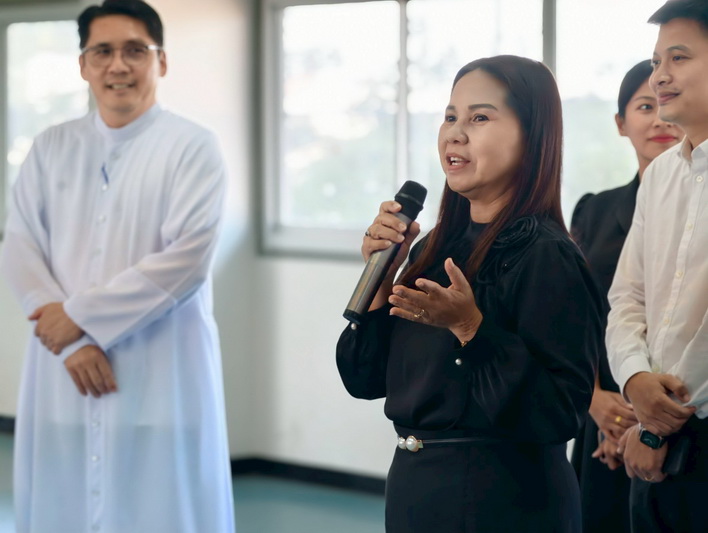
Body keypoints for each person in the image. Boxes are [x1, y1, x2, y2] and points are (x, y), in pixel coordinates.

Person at [337, 55, 603, 532]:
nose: (454, 134)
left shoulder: (547, 255)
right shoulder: (432, 248)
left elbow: (561, 412)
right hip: (417, 493)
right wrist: (382, 280)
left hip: (501, 502)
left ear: (532, 136)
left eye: (479, 118)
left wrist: (470, 328)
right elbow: (364, 380)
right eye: (450, 116)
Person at [0, 1, 235, 532]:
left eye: (135, 50)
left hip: (161, 371)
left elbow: (186, 261)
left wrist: (78, 318)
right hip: (63, 368)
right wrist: (73, 339)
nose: (118, 66)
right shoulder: (50, 147)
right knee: (62, 503)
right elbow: (19, 245)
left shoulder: (193, 147)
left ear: (162, 61)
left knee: (162, 506)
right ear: (83, 64)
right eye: (102, 52)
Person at [606, 1, 708, 532]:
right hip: (651, 435)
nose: (660, 76)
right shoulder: (661, 175)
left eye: (678, 58)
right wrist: (634, 377)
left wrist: (655, 424)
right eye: (655, 61)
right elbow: (628, 296)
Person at [569, 59, 683, 533]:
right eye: (643, 107)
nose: (658, 119)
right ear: (621, 123)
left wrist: (645, 420)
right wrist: (596, 401)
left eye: (664, 105)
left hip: (676, 414)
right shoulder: (593, 210)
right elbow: (573, 318)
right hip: (599, 411)